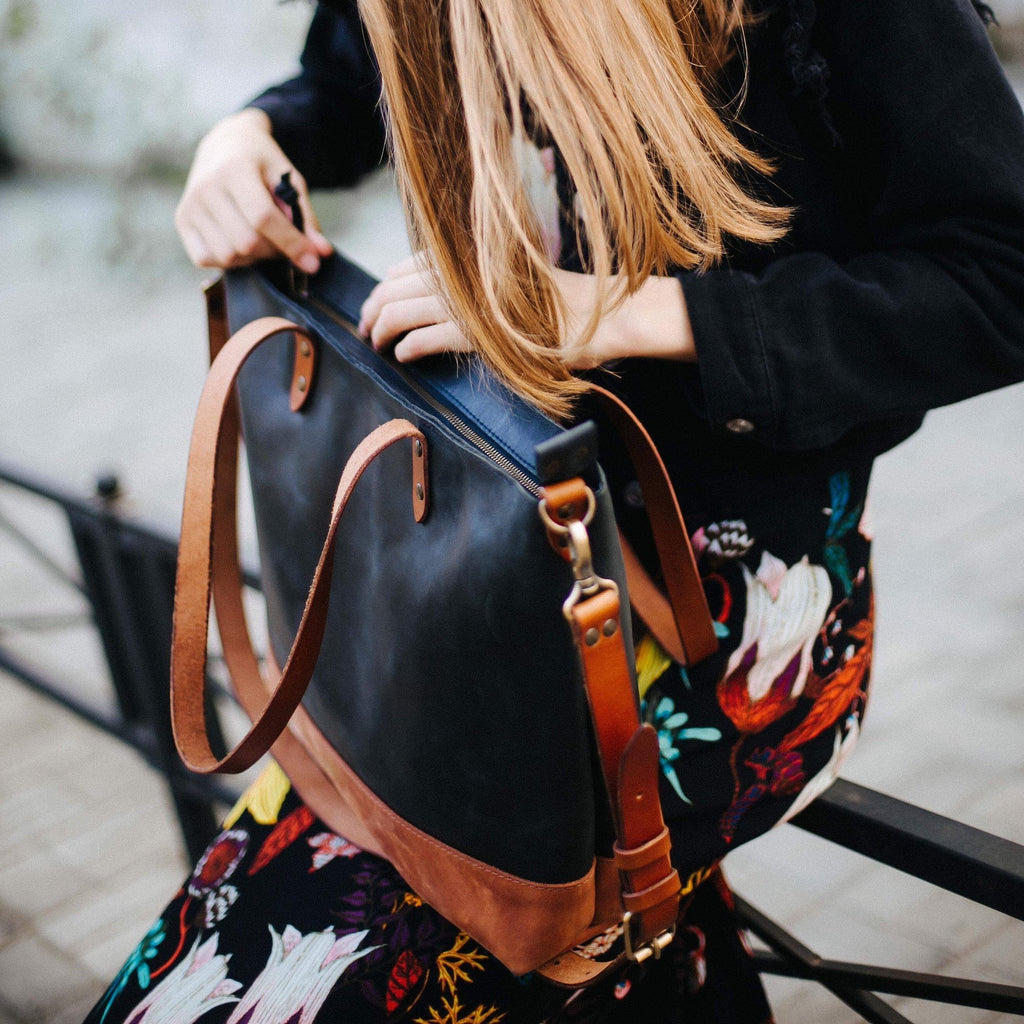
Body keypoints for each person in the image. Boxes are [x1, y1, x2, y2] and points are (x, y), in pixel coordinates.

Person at [89, 0, 1024, 1021]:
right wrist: (249, 136)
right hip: (502, 558)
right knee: (442, 875)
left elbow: (997, 280)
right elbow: (345, 79)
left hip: (738, 618)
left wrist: (625, 310)